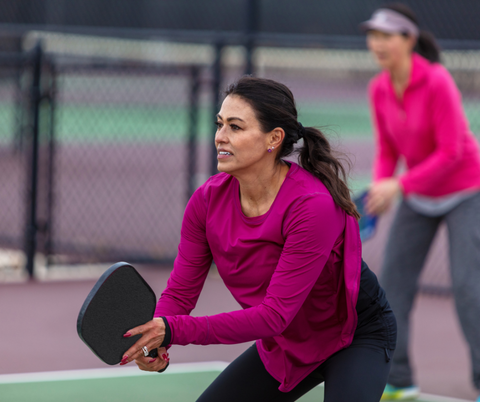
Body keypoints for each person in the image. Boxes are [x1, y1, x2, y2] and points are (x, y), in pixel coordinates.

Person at [119, 76, 396, 402]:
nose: (220, 137)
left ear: (273, 139)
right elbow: (181, 291)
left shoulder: (311, 206)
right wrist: (158, 338)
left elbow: (273, 316)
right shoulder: (206, 202)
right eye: (219, 124)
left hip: (355, 334)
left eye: (236, 127)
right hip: (286, 341)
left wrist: (175, 329)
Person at [361, 4, 480, 401]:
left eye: (386, 36)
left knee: (468, 288)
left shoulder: (437, 81)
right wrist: (382, 185)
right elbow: (386, 149)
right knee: (391, 285)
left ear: (408, 40)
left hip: (466, 190)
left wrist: (399, 186)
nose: (376, 43)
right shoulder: (378, 88)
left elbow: (451, 152)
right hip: (418, 192)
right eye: (372, 35)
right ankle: (399, 378)